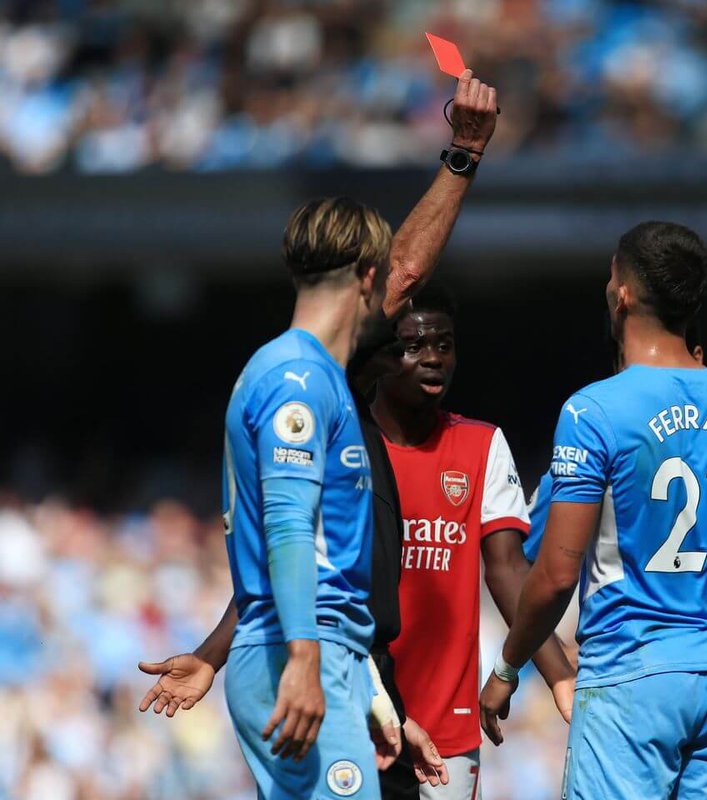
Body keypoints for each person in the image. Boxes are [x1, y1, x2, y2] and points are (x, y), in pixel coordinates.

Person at [136, 69, 499, 799]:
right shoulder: (299, 380)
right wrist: (305, 661)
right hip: (304, 653)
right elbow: (287, 529)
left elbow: (316, 553)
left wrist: (371, 697)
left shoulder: (317, 377)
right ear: (368, 276)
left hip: (333, 656)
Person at [478, 222, 707, 800]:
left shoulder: (595, 411)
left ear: (622, 294)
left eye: (610, 276)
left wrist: (506, 669)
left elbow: (554, 577)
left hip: (630, 677)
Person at [356, 282, 574, 800]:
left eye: (444, 345)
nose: (433, 358)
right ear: (382, 354)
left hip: (447, 732)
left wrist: (559, 676)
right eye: (414, 345)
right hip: (360, 712)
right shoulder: (346, 443)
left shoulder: (482, 445)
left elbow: (508, 569)